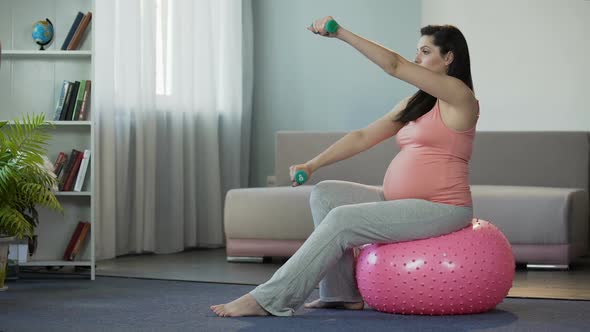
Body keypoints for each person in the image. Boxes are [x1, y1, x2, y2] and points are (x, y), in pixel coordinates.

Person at [211, 16, 479, 317]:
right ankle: (340, 294)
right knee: (325, 194)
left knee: (342, 219)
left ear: (449, 58)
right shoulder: (417, 103)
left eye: (425, 52)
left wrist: (341, 33)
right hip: (403, 203)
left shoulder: (460, 97)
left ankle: (269, 298)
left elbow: (394, 65)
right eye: (416, 51)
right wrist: (312, 164)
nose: (417, 57)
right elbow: (362, 136)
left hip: (442, 208)